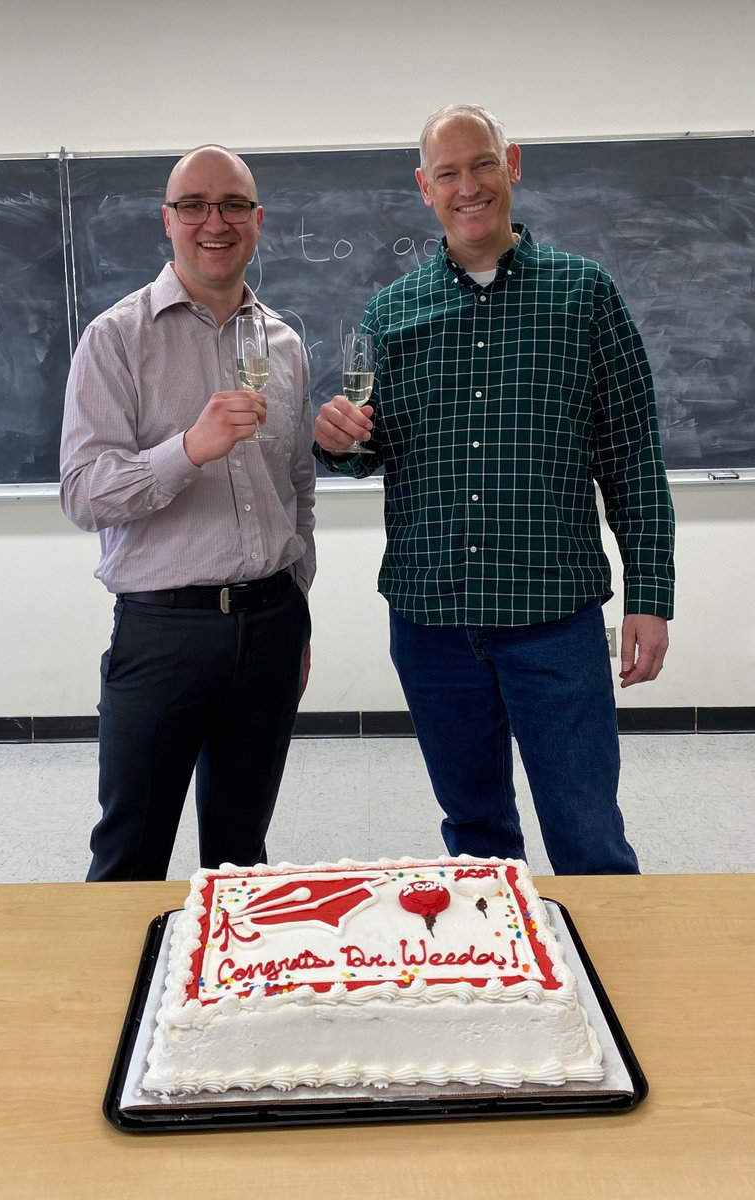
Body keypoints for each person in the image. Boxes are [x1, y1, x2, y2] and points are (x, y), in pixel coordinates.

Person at [314, 105, 675, 875]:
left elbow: (633, 457)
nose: (467, 186)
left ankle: (613, 989)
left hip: (553, 619)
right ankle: (508, 989)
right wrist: (338, 443)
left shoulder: (586, 296)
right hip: (432, 620)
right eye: (447, 173)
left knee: (588, 837)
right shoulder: (392, 312)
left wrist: (651, 593)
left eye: (481, 165)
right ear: (424, 187)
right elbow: (371, 452)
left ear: (512, 164)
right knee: (477, 842)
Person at [60, 145, 315, 881]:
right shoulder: (115, 339)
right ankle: (116, 998)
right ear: (166, 221)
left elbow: (297, 487)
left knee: (241, 862)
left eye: (233, 205)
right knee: (128, 856)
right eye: (195, 206)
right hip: (162, 631)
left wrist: (296, 609)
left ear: (258, 221)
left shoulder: (285, 344)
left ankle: (226, 996)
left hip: (270, 627)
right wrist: (187, 450)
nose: (216, 221)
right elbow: (83, 490)